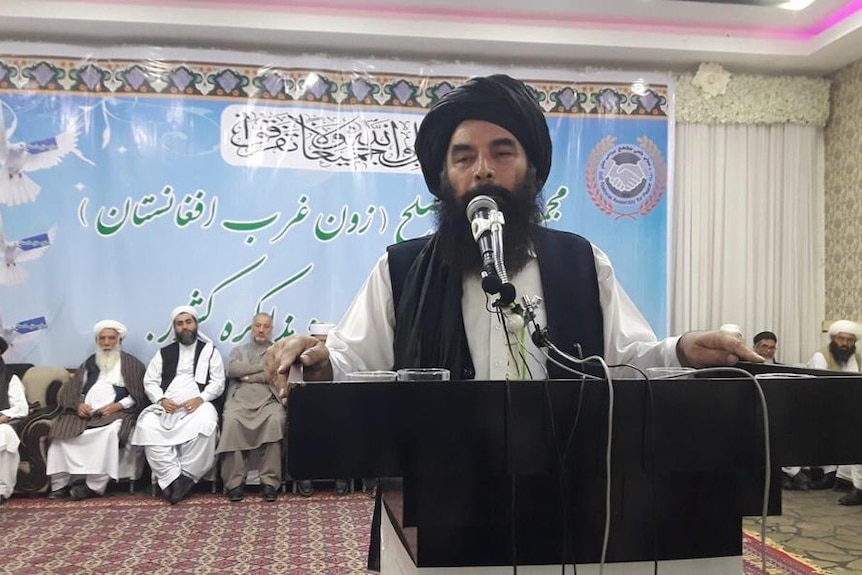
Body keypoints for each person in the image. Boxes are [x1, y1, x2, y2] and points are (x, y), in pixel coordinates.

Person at [264, 74, 762, 386]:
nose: (483, 170)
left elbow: (626, 358)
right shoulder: (400, 268)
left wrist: (681, 349)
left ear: (532, 170)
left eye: (502, 152)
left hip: (563, 490)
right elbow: (356, 362)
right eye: (464, 157)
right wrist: (320, 357)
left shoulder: (581, 261)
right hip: (438, 498)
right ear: (444, 179)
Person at [131, 306, 225, 504]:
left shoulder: (210, 352)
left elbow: (218, 382)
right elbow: (150, 382)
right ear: (174, 327)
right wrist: (161, 400)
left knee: (207, 423)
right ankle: (172, 478)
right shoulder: (164, 353)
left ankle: (187, 476)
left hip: (198, 402)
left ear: (196, 324)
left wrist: (201, 399)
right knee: (147, 426)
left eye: (188, 322)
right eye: (180, 323)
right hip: (168, 403)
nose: (185, 327)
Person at [46, 320, 147, 500]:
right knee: (60, 433)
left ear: (119, 341)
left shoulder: (132, 363)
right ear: (97, 341)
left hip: (116, 413)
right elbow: (74, 388)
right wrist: (78, 404)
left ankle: (94, 486)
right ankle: (60, 484)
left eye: (111, 339)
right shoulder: (90, 362)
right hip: (85, 415)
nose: (106, 343)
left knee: (108, 433)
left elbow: (139, 394)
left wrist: (118, 405)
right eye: (102, 339)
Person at [217, 313, 285, 502]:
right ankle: (234, 483)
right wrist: (262, 368)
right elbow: (232, 370)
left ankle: (270, 482)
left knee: (276, 420)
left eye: (266, 326)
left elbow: (274, 375)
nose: (261, 330)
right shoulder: (238, 350)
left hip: (268, 400)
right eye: (258, 325)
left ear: (271, 329)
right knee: (231, 421)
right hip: (240, 400)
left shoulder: (278, 350)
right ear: (251, 328)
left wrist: (248, 375)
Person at [803, 320, 862, 502]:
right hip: (825, 408)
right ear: (833, 339)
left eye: (849, 340)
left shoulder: (857, 358)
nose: (844, 344)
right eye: (841, 339)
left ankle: (847, 481)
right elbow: (820, 387)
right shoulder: (821, 356)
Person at [292, 322, 351, 498]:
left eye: (326, 342)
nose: (322, 347)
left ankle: (342, 476)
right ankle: (305, 476)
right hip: (308, 408)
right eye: (319, 342)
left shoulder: (342, 360)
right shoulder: (302, 360)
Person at [0, 336, 27, 501]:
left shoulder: (10, 377)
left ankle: (2, 489)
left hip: (2, 421)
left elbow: (21, 407)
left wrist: (4, 416)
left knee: (4, 434)